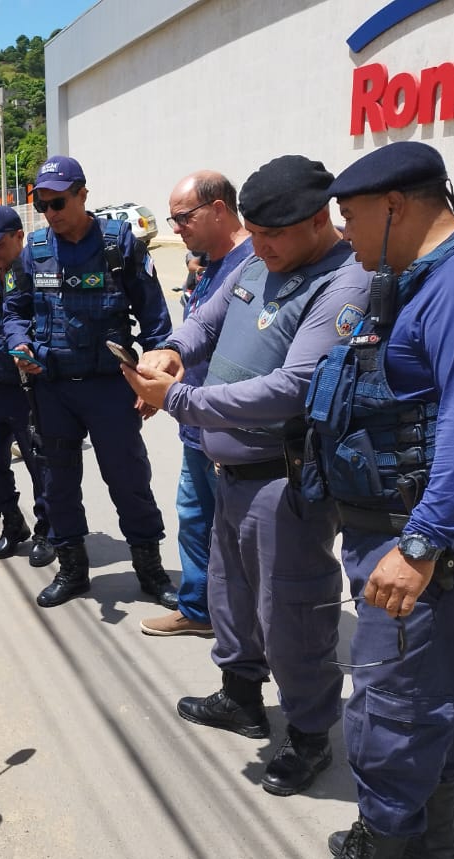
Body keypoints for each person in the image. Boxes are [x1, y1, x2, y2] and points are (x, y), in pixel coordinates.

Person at [272, 143, 454, 859]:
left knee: (392, 709)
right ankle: (428, 840)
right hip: (407, 541)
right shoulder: (420, 279)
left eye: (351, 218)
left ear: (395, 205)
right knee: (430, 699)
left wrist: (421, 545)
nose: (346, 236)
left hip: (432, 550)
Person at [126, 155, 370, 797]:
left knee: (291, 611)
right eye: (253, 236)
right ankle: (240, 696)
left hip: (283, 478)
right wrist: (172, 352)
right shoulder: (263, 257)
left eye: (272, 237)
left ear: (319, 220)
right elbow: (207, 320)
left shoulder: (344, 284)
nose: (258, 250)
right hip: (229, 467)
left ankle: (311, 734)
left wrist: (178, 401)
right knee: (232, 597)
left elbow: (294, 387)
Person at [2, 155, 178, 610]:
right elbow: (14, 312)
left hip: (110, 388)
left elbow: (156, 320)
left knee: (128, 478)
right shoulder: (34, 251)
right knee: (58, 482)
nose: (51, 212)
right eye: (42, 204)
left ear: (83, 194)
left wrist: (153, 380)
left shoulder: (121, 246)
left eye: (59, 201)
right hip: (53, 388)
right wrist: (20, 345)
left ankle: (150, 570)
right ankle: (73, 570)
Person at [140, 172, 251, 638]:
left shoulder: (252, 265)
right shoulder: (208, 264)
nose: (177, 227)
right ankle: (200, 610)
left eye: (184, 217)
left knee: (236, 537)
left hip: (228, 428)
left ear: (220, 210)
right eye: (173, 218)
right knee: (195, 519)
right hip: (193, 419)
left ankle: (243, 630)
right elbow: (199, 332)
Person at [0, 206, 54, 567]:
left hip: (33, 387)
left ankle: (46, 531)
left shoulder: (41, 272)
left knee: (41, 464)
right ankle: (12, 521)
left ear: (20, 236)